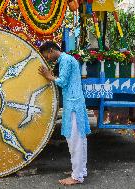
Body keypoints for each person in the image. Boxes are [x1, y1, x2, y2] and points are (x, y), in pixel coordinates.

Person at [38, 41, 91, 185]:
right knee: (79, 139)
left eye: (46, 56)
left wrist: (49, 76)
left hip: (73, 103)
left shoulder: (66, 60)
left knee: (75, 141)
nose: (47, 59)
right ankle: (80, 171)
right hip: (74, 102)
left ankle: (77, 176)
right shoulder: (66, 59)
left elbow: (63, 82)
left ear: (50, 51)